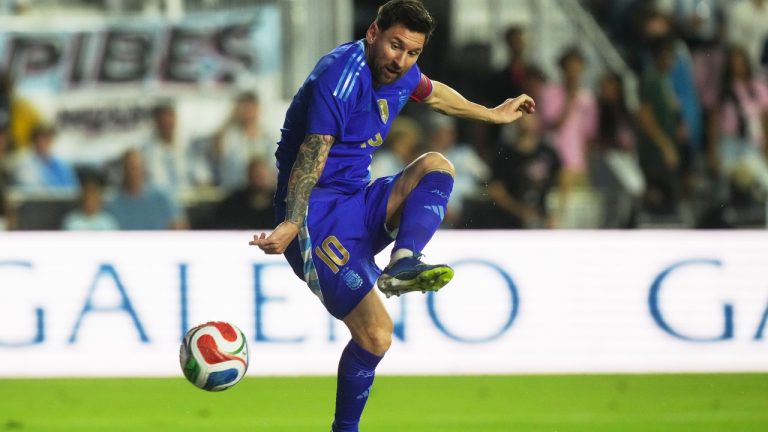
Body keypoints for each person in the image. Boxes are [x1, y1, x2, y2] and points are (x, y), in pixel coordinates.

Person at [248, 1, 535, 431]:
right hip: (314, 217)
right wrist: (292, 222)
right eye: (395, 45)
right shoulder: (338, 76)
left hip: (357, 201)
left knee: (436, 164)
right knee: (377, 335)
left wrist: (491, 113)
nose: (401, 60)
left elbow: (434, 93)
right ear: (373, 33)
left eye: (412, 52)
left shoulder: (402, 75)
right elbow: (314, 152)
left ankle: (403, 261)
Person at [106, 149, 188, 230]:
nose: (132, 173)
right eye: (128, 168)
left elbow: (179, 226)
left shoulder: (162, 196)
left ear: (144, 168)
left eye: (136, 168)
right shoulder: (113, 206)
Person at [12, 124, 78, 191]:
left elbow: (73, 191)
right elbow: (32, 193)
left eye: (48, 138)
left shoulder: (62, 165)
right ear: (34, 140)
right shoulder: (23, 164)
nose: (45, 142)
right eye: (41, 138)